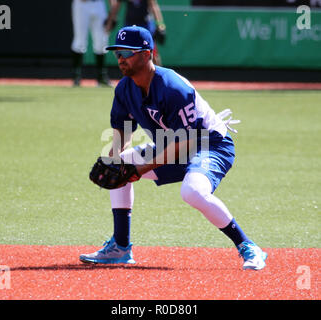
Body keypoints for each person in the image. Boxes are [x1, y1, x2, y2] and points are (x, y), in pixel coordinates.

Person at [79, 26, 268, 270]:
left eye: (128, 52)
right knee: (122, 162)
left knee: (192, 192)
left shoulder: (173, 87)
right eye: (117, 53)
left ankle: (248, 247)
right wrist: (115, 162)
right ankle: (120, 247)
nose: (121, 58)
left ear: (147, 54)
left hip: (210, 144)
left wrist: (141, 169)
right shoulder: (124, 89)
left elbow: (186, 143)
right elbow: (122, 134)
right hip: (173, 145)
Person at [104, 0, 166, 65]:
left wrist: (160, 24)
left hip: (145, 24)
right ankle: (130, 74)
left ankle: (158, 73)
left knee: (152, 53)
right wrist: (110, 22)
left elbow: (154, 6)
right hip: (130, 25)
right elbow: (116, 7)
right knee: (126, 53)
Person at [71, 0, 114, 87]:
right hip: (81, 4)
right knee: (80, 41)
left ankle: (102, 76)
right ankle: (76, 77)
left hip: (98, 4)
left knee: (101, 41)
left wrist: (112, 14)